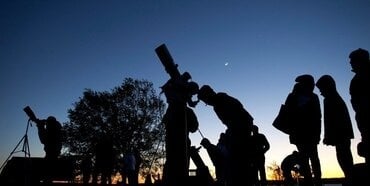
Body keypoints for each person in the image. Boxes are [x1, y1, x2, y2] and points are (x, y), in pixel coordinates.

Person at [198, 84, 254, 186]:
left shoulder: (222, 101)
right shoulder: (218, 104)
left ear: (208, 95)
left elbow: (239, 118)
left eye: (205, 101)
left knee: (238, 163)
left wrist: (232, 133)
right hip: (238, 131)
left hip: (241, 131)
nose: (207, 103)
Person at [160, 71, 199, 186]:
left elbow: (165, 122)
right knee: (181, 165)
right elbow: (194, 128)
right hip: (182, 143)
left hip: (171, 142)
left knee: (171, 163)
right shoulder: (187, 112)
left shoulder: (170, 112)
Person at [316, 74, 354, 185]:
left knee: (343, 155)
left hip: (340, 133)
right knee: (343, 154)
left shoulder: (331, 100)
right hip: (341, 133)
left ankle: (349, 177)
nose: (320, 92)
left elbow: (330, 119)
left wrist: (328, 136)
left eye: (321, 89)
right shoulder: (335, 98)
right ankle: (349, 177)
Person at [284, 74, 322, 186]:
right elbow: (287, 112)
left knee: (313, 159)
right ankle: (309, 181)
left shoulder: (313, 97)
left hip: (310, 134)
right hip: (299, 135)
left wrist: (318, 134)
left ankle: (317, 181)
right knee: (305, 159)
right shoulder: (293, 96)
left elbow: (318, 117)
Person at [348, 48, 370, 168]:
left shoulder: (359, 80)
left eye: (352, 61)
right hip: (363, 121)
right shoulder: (355, 80)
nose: (351, 63)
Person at [35, 116, 63, 185]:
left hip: (50, 157)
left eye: (48, 124)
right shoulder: (57, 131)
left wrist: (40, 127)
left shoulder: (53, 132)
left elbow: (43, 140)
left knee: (42, 173)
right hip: (54, 155)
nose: (47, 126)